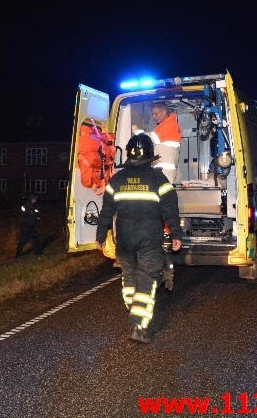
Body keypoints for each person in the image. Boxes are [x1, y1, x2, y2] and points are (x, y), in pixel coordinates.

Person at [96, 133, 183, 344]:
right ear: (150, 156)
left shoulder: (116, 180)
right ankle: (138, 324)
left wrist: (100, 236)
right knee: (147, 279)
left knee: (129, 276)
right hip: (148, 241)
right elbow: (170, 210)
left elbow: (106, 212)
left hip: (124, 241)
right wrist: (176, 235)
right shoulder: (158, 180)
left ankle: (134, 308)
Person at [149, 102, 182, 183]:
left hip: (165, 172)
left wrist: (139, 133)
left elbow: (155, 138)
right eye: (152, 114)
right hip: (161, 170)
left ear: (164, 112)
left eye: (156, 114)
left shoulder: (170, 124)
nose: (153, 117)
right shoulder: (165, 125)